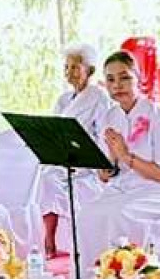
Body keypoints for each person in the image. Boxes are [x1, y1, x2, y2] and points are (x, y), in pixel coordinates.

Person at [63, 51, 160, 257]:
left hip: (158, 191)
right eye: (110, 80)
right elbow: (105, 176)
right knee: (86, 215)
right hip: (123, 189)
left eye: (124, 77)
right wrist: (108, 163)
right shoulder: (110, 116)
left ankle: (126, 273)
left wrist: (126, 156)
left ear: (139, 79)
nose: (117, 85)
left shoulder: (159, 117)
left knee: (119, 214)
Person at [42, 43, 116, 257]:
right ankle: (49, 239)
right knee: (45, 177)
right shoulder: (63, 100)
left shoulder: (99, 96)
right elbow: (55, 130)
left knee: (53, 177)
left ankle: (76, 239)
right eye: (66, 67)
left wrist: (103, 165)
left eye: (75, 67)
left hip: (87, 161)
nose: (69, 72)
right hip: (64, 158)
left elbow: (103, 131)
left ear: (89, 70)